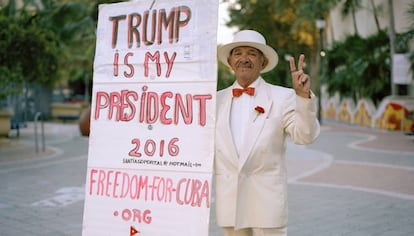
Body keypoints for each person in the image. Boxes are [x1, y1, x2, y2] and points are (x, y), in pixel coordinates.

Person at [214, 30, 320, 236]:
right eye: (238, 53)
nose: (244, 58)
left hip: (267, 202)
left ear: (263, 63)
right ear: (230, 61)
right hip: (229, 201)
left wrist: (303, 96)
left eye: (252, 53)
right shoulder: (214, 101)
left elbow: (305, 136)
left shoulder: (284, 97)